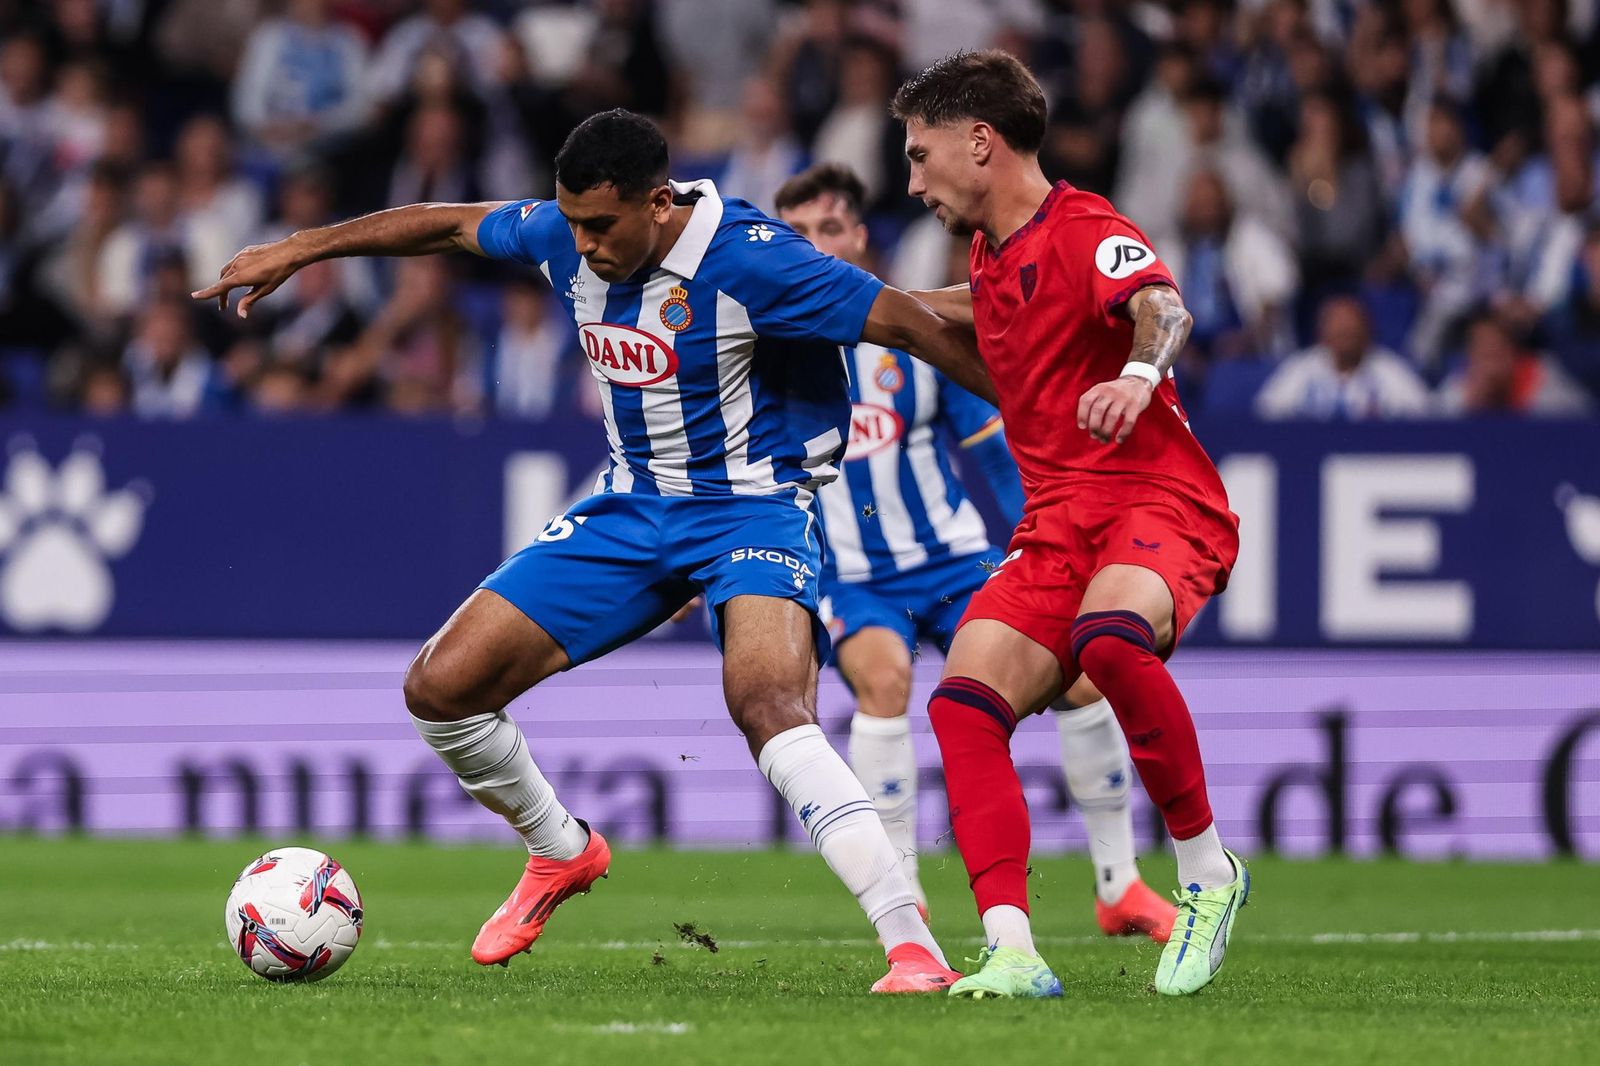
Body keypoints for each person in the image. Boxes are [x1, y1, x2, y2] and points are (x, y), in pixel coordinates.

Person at [193, 108, 990, 994]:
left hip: (753, 510)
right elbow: (452, 223)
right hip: (632, 505)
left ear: (660, 202)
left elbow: (916, 324)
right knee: (439, 690)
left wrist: (1042, 423)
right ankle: (559, 849)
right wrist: (305, 246)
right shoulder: (569, 236)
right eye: (570, 221)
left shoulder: (756, 259)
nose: (580, 244)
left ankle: (910, 945)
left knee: (766, 702)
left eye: (600, 226)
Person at [891, 50, 1248, 999]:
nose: (913, 179)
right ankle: (1012, 949)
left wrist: (1138, 375)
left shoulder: (1087, 227)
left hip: (1154, 497)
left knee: (1110, 639)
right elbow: (996, 309)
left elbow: (1162, 309)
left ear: (981, 143)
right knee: (963, 701)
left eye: (922, 156)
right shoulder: (988, 249)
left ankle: (1209, 874)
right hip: (1056, 521)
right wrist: (879, 308)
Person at [773, 161, 1176, 942]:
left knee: (1083, 683)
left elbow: (1000, 453)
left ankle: (1119, 885)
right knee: (883, 679)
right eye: (798, 235)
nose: (816, 245)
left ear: (861, 236)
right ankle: (902, 884)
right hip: (853, 576)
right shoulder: (770, 347)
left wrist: (1065, 533)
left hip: (955, 561)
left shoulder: (915, 335)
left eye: (830, 228)